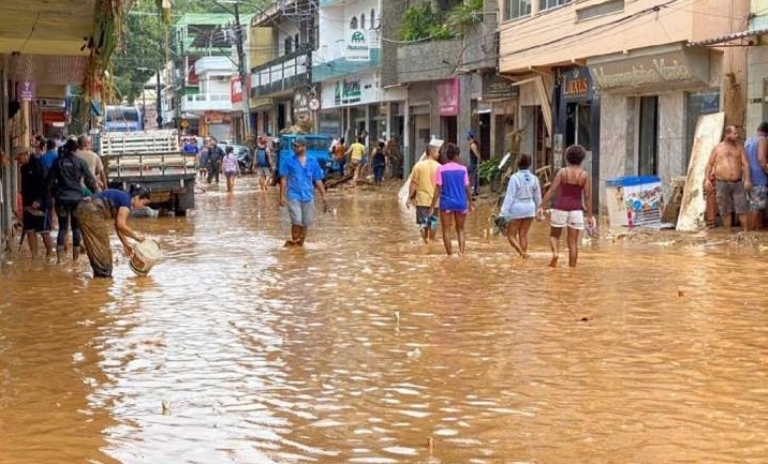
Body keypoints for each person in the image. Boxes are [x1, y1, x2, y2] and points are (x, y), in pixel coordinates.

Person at [75, 185, 151, 278]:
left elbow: (118, 226)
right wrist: (136, 237)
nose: (143, 207)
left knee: (96, 247)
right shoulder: (126, 202)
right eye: (143, 203)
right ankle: (103, 279)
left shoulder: (124, 197)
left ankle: (98, 279)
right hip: (91, 211)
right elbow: (121, 225)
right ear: (137, 198)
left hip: (83, 208)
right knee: (102, 249)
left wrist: (125, 244)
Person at [537, 144, 594, 268]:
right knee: (573, 243)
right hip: (576, 211)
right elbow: (587, 197)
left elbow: (552, 191)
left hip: (560, 208)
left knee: (554, 236)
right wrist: (590, 216)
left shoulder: (562, 172)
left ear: (567, 157)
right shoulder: (584, 175)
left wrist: (541, 206)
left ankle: (555, 254)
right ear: (582, 159)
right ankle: (572, 271)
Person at [46, 138, 100, 263]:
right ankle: (75, 260)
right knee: (76, 228)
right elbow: (90, 182)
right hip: (77, 200)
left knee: (62, 228)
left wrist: (55, 194)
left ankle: (60, 260)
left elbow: (49, 182)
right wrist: (96, 196)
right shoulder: (81, 162)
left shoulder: (58, 162)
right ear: (76, 149)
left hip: (62, 199)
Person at [279, 136, 328, 247]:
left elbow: (317, 179)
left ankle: (299, 246)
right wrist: (281, 196)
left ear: (304, 147)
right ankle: (294, 242)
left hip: (308, 196)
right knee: (296, 220)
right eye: (293, 146)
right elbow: (284, 179)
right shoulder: (288, 160)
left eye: (297, 146)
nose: (294, 148)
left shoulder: (313, 161)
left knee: (305, 223)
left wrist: (324, 196)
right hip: (293, 195)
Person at [704, 125, 752, 230]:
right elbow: (709, 164)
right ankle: (727, 232)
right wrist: (707, 179)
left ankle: (745, 232)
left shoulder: (739, 148)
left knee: (742, 208)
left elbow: (745, 164)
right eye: (734, 133)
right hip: (722, 183)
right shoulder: (718, 148)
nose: (737, 135)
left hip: (738, 182)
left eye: (737, 133)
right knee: (725, 210)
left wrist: (747, 180)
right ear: (727, 134)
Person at [429, 143, 473, 256]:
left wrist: (432, 206)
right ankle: (461, 253)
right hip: (461, 203)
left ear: (447, 156)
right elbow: (467, 188)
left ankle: (450, 255)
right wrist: (470, 203)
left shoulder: (441, 169)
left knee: (446, 229)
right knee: (461, 229)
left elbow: (438, 189)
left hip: (446, 204)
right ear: (456, 155)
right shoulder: (463, 169)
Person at [499, 154, 542, 258]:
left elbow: (509, 197)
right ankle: (523, 257)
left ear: (517, 164)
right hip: (530, 209)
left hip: (517, 209)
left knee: (511, 235)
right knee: (523, 234)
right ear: (529, 164)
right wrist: (539, 210)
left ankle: (521, 253)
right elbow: (538, 197)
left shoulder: (514, 178)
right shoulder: (534, 178)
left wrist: (503, 213)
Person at [17, 149, 53, 257]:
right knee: (30, 230)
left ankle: (49, 256)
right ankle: (34, 257)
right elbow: (24, 188)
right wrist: (23, 206)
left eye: (19, 158)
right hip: (28, 204)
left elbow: (46, 185)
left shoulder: (38, 165)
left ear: (26, 154)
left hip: (42, 203)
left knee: (44, 231)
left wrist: (39, 200)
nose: (18, 161)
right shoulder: (23, 168)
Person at [406, 139, 443, 244]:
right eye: (437, 152)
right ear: (431, 152)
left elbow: (413, 183)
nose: (439, 154)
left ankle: (425, 242)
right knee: (433, 222)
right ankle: (431, 240)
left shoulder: (418, 166)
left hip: (422, 200)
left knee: (423, 223)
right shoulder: (440, 167)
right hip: (435, 201)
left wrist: (409, 198)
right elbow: (442, 185)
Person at [744, 122, 768, 230]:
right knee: (757, 206)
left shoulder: (748, 140)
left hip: (748, 177)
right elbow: (761, 159)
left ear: (758, 129)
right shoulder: (763, 140)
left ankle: (755, 230)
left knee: (752, 205)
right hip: (759, 178)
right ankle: (752, 231)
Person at [467, 130, 481, 196]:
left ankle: (474, 191)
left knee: (474, 177)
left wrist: (479, 159)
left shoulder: (473, 145)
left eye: (468, 139)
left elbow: (476, 153)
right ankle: (474, 190)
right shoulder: (473, 144)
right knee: (474, 176)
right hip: (473, 163)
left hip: (474, 163)